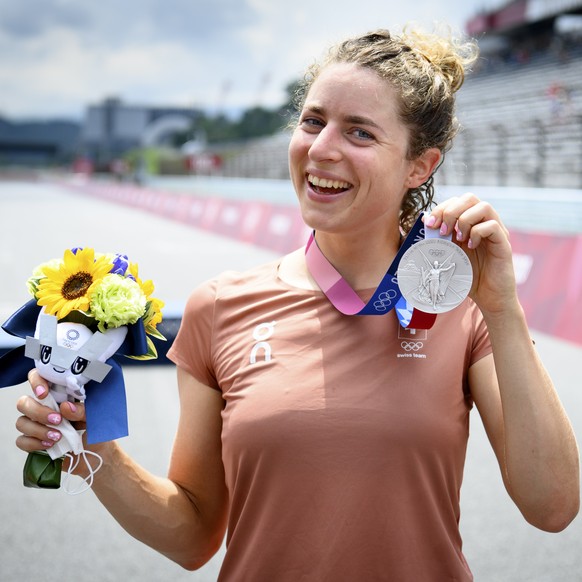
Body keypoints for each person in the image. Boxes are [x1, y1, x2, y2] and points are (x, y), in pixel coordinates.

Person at [14, 26, 579, 581]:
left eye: (359, 133)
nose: (322, 148)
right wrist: (97, 454)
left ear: (419, 166)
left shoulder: (463, 305)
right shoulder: (220, 307)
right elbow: (191, 538)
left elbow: (552, 506)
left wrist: (504, 308)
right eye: (313, 121)